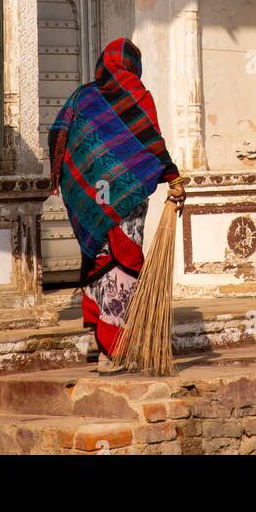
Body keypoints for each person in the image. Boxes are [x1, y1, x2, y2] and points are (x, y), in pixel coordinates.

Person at [49, 37, 186, 368]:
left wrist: (76, 173)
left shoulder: (83, 97)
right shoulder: (139, 96)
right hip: (128, 200)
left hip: (95, 200)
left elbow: (57, 133)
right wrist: (174, 179)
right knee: (123, 264)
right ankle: (114, 351)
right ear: (134, 66)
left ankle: (104, 343)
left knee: (101, 261)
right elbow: (152, 143)